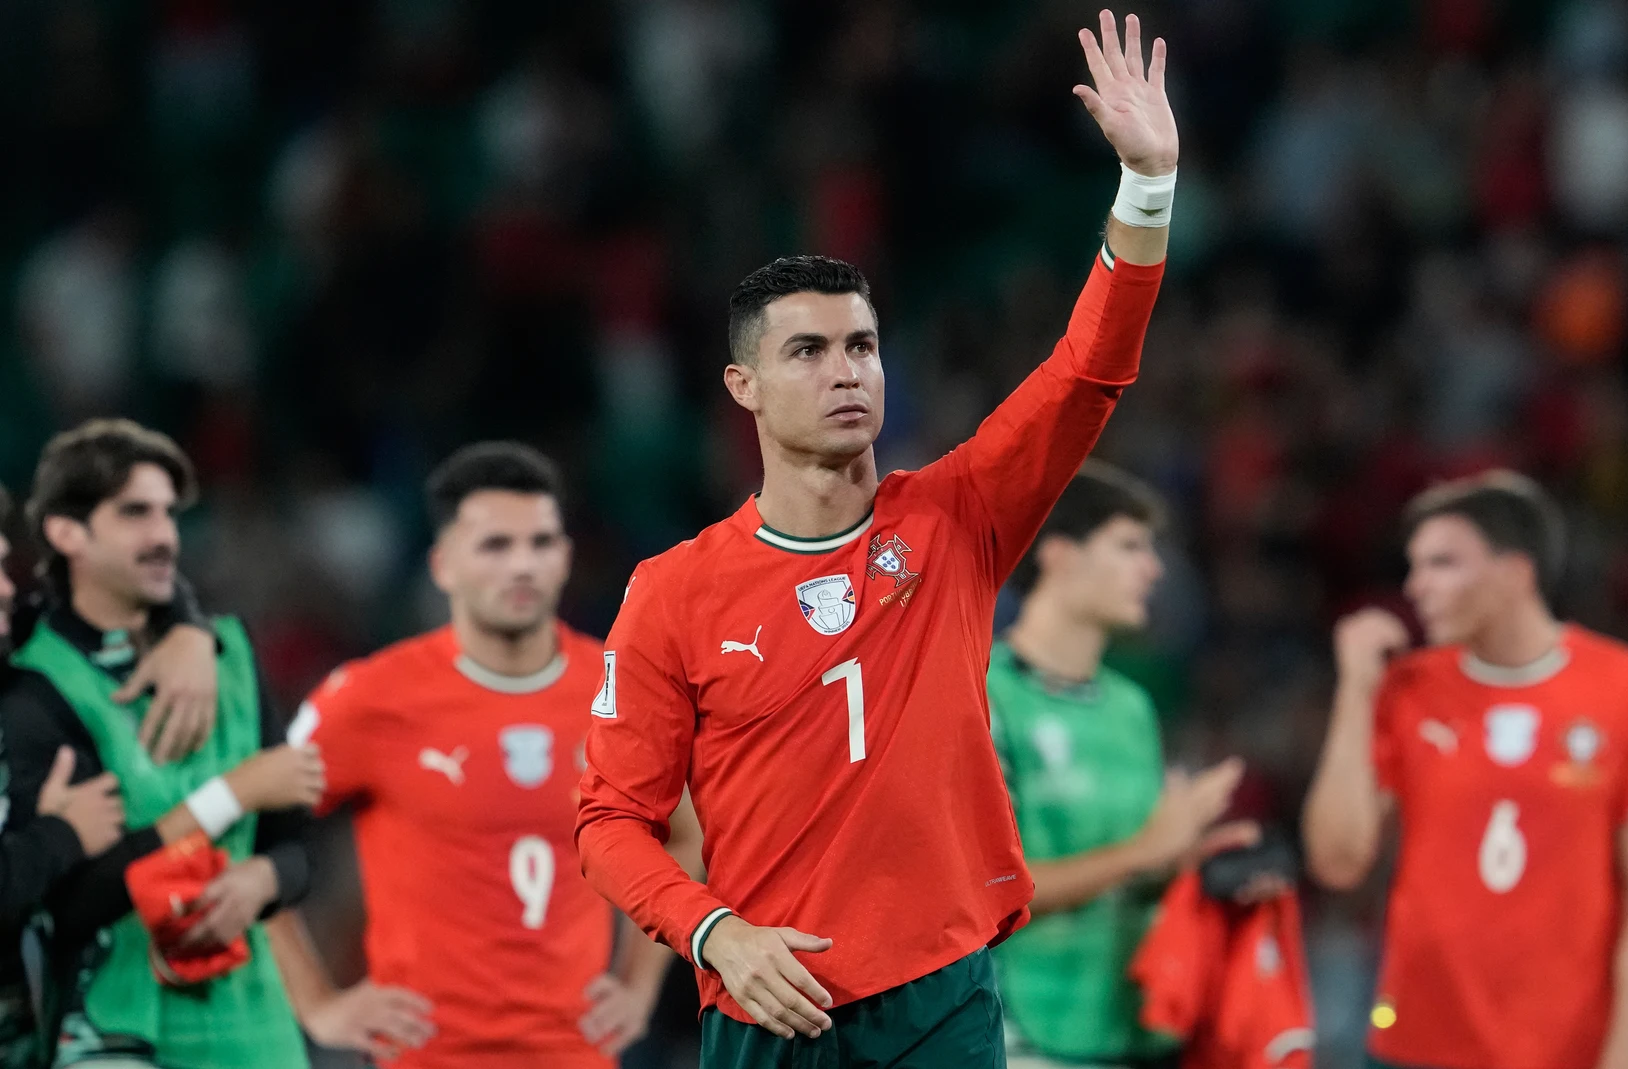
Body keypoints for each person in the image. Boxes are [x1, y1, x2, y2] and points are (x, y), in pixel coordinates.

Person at [577, 10, 1176, 1066]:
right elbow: (609, 820)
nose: (845, 368)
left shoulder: (954, 519)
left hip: (938, 995)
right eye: (807, 350)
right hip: (765, 1001)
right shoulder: (674, 590)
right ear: (743, 389)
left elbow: (1087, 372)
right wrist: (714, 930)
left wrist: (1147, 186)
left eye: (861, 344)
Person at [267, 442, 700, 1068]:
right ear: (443, 565)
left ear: (566, 557)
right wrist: (315, 1004)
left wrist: (638, 984)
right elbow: (250, 832)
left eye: (541, 543)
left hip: (574, 1056)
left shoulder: (616, 689)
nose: (522, 565)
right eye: (496, 546)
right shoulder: (370, 697)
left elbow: (684, 832)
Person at [1302, 471, 1628, 1069]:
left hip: (1567, 1051)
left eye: (1442, 564)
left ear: (1515, 573)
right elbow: (1336, 861)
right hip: (1415, 1046)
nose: (1417, 587)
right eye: (1414, 566)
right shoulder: (1408, 690)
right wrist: (1355, 692)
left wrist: (1625, 1053)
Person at [0, 419, 324, 1068]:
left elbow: (294, 843)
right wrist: (229, 796)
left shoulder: (226, 653)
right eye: (135, 513)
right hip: (116, 1031)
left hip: (256, 1031)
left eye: (169, 514)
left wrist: (265, 878)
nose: (164, 536)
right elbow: (65, 905)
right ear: (68, 534)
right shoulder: (34, 684)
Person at [989, 461, 1275, 1069]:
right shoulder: (985, 693)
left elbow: (1140, 868)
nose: (1154, 569)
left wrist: (1194, 867)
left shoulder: (1130, 707)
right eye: (1129, 547)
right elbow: (981, 898)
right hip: (1026, 1038)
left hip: (1137, 1028)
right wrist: (1144, 851)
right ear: (1060, 554)